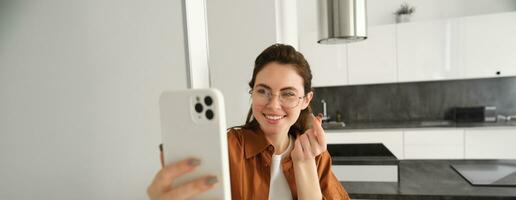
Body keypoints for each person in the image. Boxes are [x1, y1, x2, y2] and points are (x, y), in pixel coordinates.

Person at [147, 44, 350, 199]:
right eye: (263, 91)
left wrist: (304, 164)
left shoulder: (315, 156)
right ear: (252, 93)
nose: (273, 105)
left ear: (306, 100)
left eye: (288, 94)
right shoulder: (226, 148)